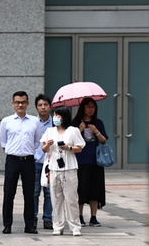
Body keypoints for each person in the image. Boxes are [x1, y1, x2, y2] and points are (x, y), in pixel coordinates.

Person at [0, 90, 43, 234]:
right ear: (13, 104)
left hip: (29, 160)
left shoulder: (35, 121)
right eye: (17, 102)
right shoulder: (6, 121)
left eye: (23, 102)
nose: (20, 105)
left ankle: (29, 225)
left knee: (29, 194)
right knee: (8, 193)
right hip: (12, 159)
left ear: (28, 103)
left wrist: (28, 150)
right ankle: (7, 225)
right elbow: (3, 141)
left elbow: (37, 141)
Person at [40, 106, 85, 236]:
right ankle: (58, 226)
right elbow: (43, 149)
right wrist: (47, 145)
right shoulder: (50, 131)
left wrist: (68, 147)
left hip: (69, 167)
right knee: (56, 198)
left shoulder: (73, 130)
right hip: (54, 167)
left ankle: (75, 226)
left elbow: (80, 148)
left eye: (58, 115)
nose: (55, 118)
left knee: (71, 198)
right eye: (54, 115)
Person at [71, 97, 108, 226]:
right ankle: (79, 215)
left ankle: (93, 216)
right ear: (83, 108)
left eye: (93, 106)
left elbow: (103, 140)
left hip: (95, 161)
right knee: (80, 188)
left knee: (95, 188)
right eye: (88, 106)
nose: (90, 109)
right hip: (80, 160)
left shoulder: (98, 123)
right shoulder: (75, 123)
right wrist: (79, 130)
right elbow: (69, 140)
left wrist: (96, 131)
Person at [33, 94, 54, 230]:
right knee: (34, 192)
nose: (43, 107)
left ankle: (48, 219)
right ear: (36, 107)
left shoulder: (55, 123)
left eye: (45, 105)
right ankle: (33, 217)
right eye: (40, 105)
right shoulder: (33, 122)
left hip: (51, 162)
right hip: (35, 161)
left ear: (50, 106)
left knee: (49, 193)